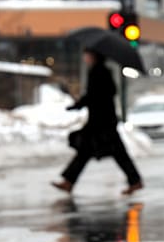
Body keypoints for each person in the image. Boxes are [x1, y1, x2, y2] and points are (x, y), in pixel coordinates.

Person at [52, 51, 143, 196]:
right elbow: (105, 93)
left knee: (112, 152)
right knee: (88, 151)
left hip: (101, 121)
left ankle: (135, 180)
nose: (85, 57)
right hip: (103, 120)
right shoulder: (102, 71)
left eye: (87, 54)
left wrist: (79, 104)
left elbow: (94, 95)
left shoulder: (98, 72)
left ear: (94, 56)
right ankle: (69, 181)